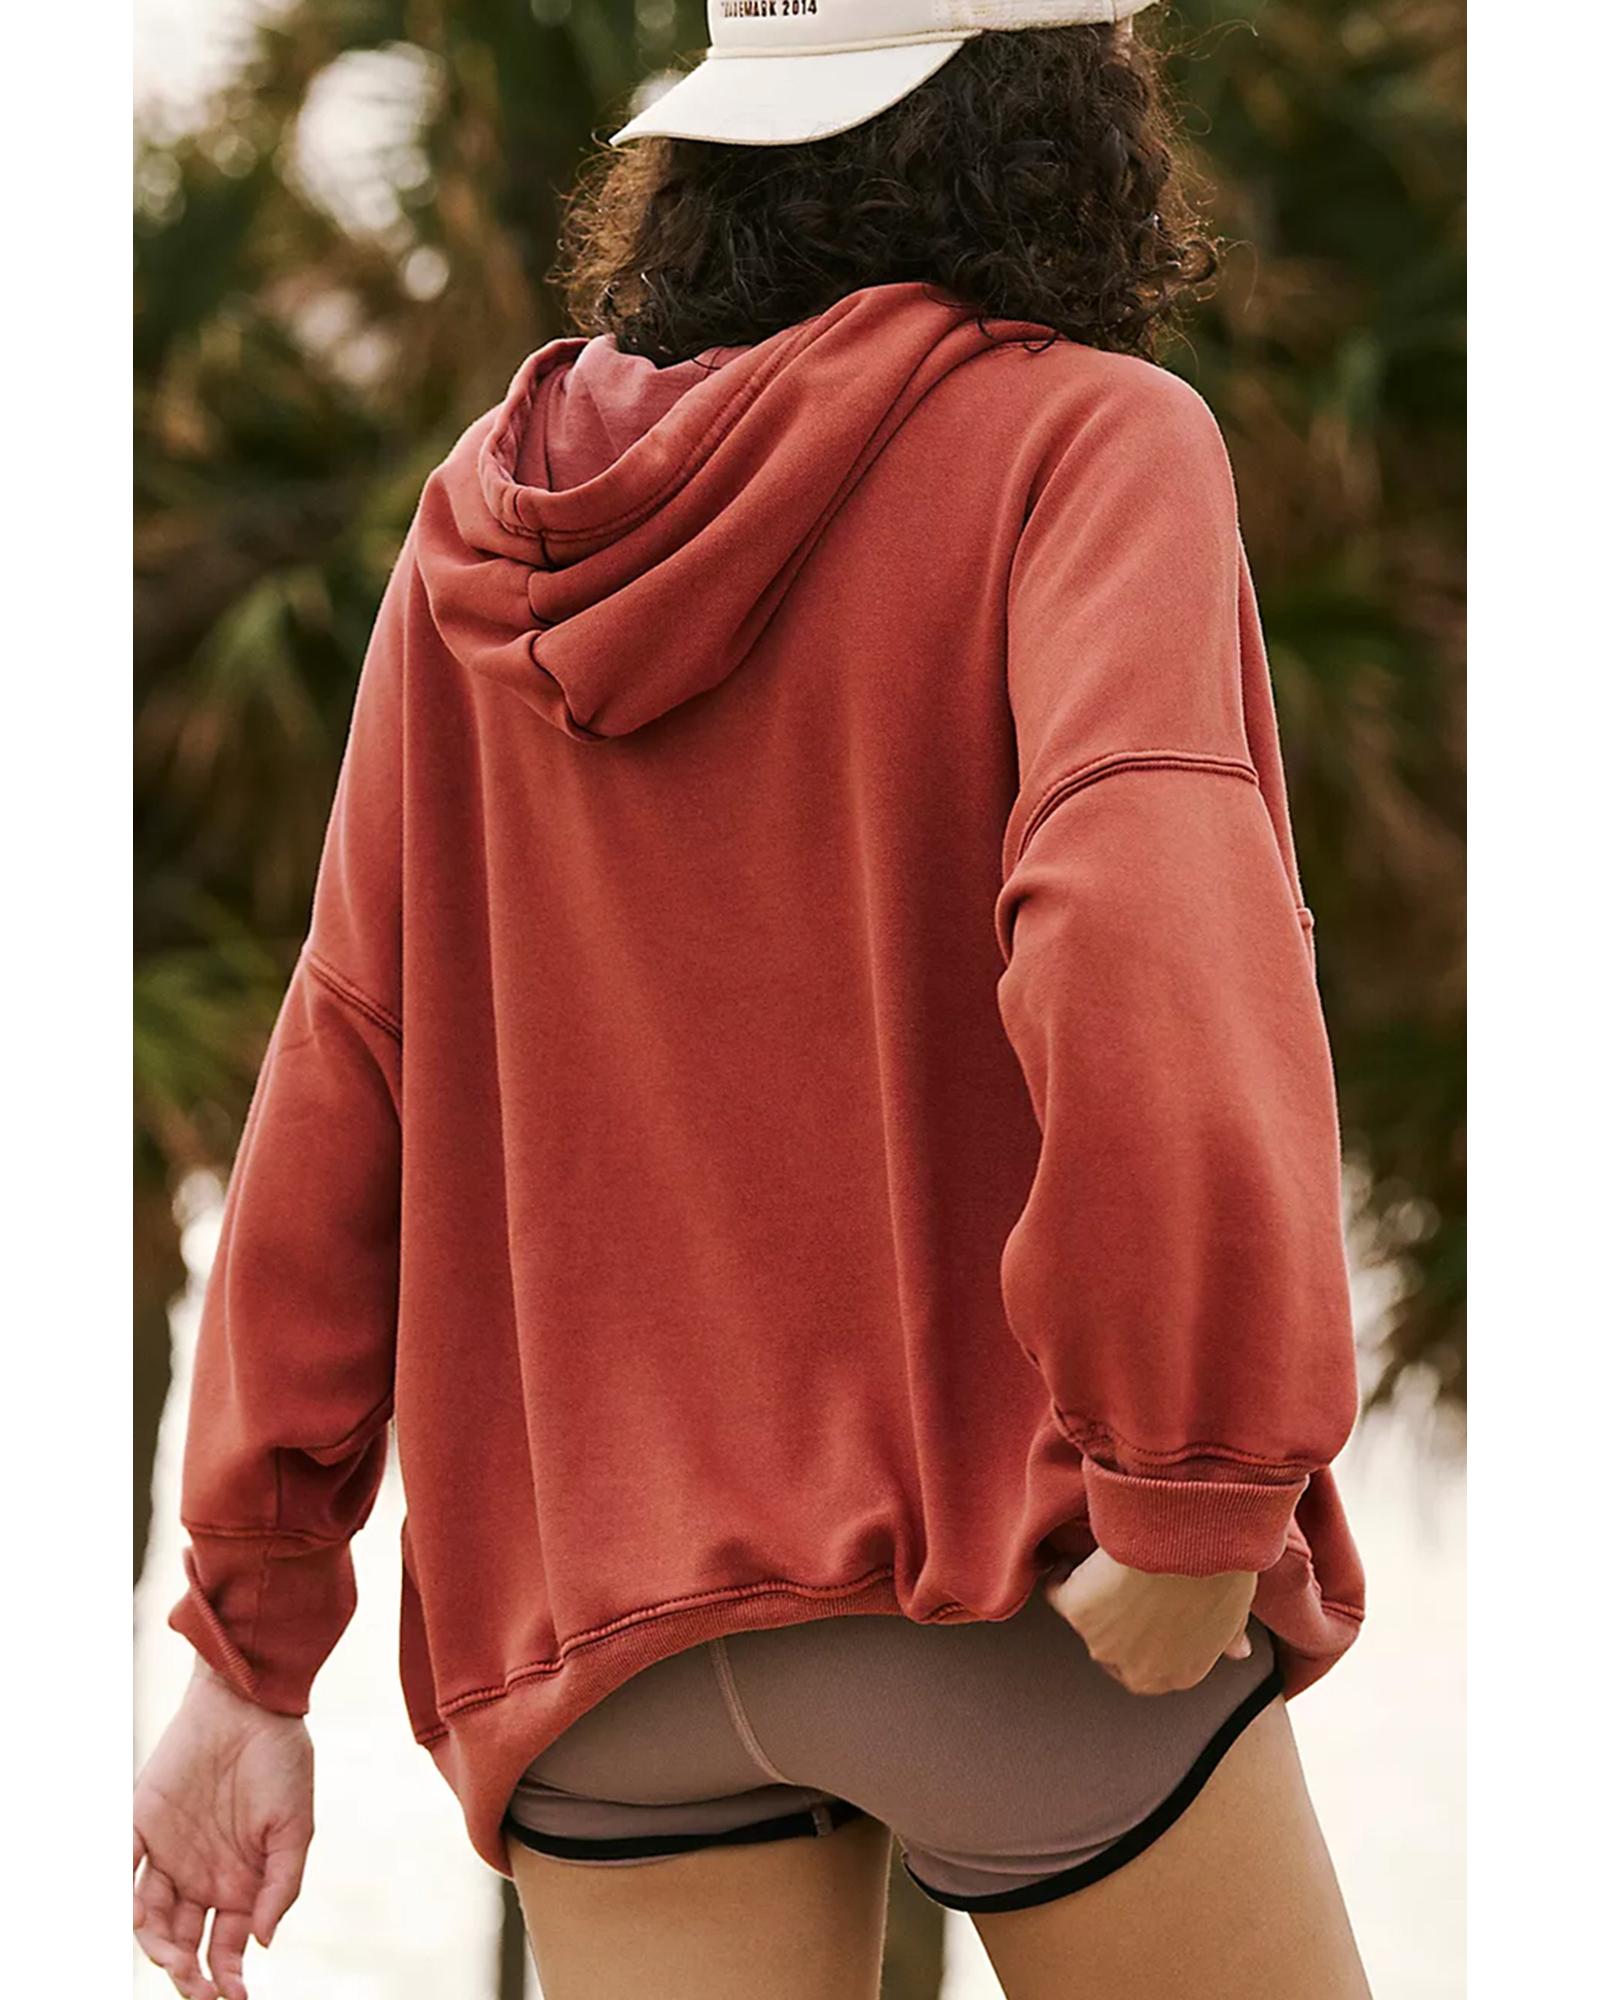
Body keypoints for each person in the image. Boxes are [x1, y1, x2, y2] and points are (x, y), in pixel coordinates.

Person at [132, 4, 1375, 1996]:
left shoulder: (484, 528)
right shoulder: (1090, 440)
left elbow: (350, 1064)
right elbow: (1136, 932)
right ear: (1060, 109)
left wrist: (248, 1650)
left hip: (605, 1673)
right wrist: (1191, 1487)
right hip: (1007, 1601)